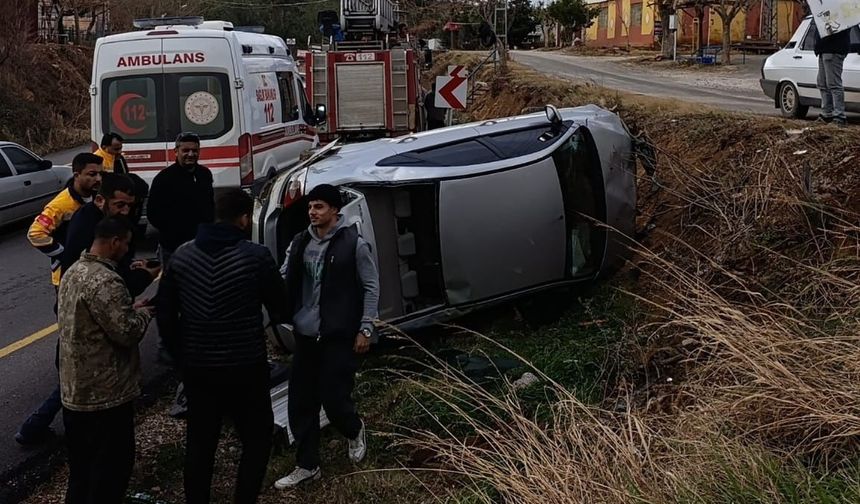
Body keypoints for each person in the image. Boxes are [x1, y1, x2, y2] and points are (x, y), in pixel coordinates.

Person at [156, 189, 287, 504]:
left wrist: (181, 357)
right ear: (243, 219)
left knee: (201, 442)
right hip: (246, 365)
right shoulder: (256, 256)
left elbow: (165, 314)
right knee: (256, 438)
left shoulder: (182, 257)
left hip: (199, 368)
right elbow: (281, 308)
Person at [274, 184, 379, 489]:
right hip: (306, 334)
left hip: (339, 333)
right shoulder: (300, 242)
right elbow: (283, 275)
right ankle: (307, 465)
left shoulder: (354, 245)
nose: (312, 212)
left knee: (334, 398)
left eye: (319, 206)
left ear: (335, 210)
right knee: (301, 401)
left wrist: (365, 328)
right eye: (310, 207)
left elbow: (371, 287)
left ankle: (354, 427)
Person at [58, 216, 153, 504]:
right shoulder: (107, 280)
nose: (126, 250)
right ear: (114, 242)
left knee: (82, 471)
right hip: (106, 395)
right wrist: (144, 313)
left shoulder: (74, 271)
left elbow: (95, 317)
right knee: (111, 470)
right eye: (125, 243)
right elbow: (127, 332)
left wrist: (127, 308)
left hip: (74, 392)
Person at [15, 153, 102, 446]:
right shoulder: (62, 204)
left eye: (99, 174)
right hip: (65, 281)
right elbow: (36, 233)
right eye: (91, 174)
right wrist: (62, 256)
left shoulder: (89, 200)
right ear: (76, 174)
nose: (96, 179)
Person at [61, 173, 160, 298]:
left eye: (130, 205)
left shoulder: (108, 218)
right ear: (99, 200)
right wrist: (145, 275)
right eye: (119, 205)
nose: (126, 211)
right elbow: (112, 289)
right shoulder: (89, 225)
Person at [147, 132, 214, 266]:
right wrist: (172, 231)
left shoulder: (205, 174)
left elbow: (210, 206)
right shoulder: (163, 179)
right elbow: (153, 214)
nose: (190, 154)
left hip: (201, 245)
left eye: (194, 150)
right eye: (186, 150)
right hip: (172, 247)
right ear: (176, 152)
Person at [813, 23, 852, 126]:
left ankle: (839, 117)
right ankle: (827, 114)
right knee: (822, 83)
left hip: (833, 49)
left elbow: (841, 27)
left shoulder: (840, 11)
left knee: (833, 84)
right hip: (824, 48)